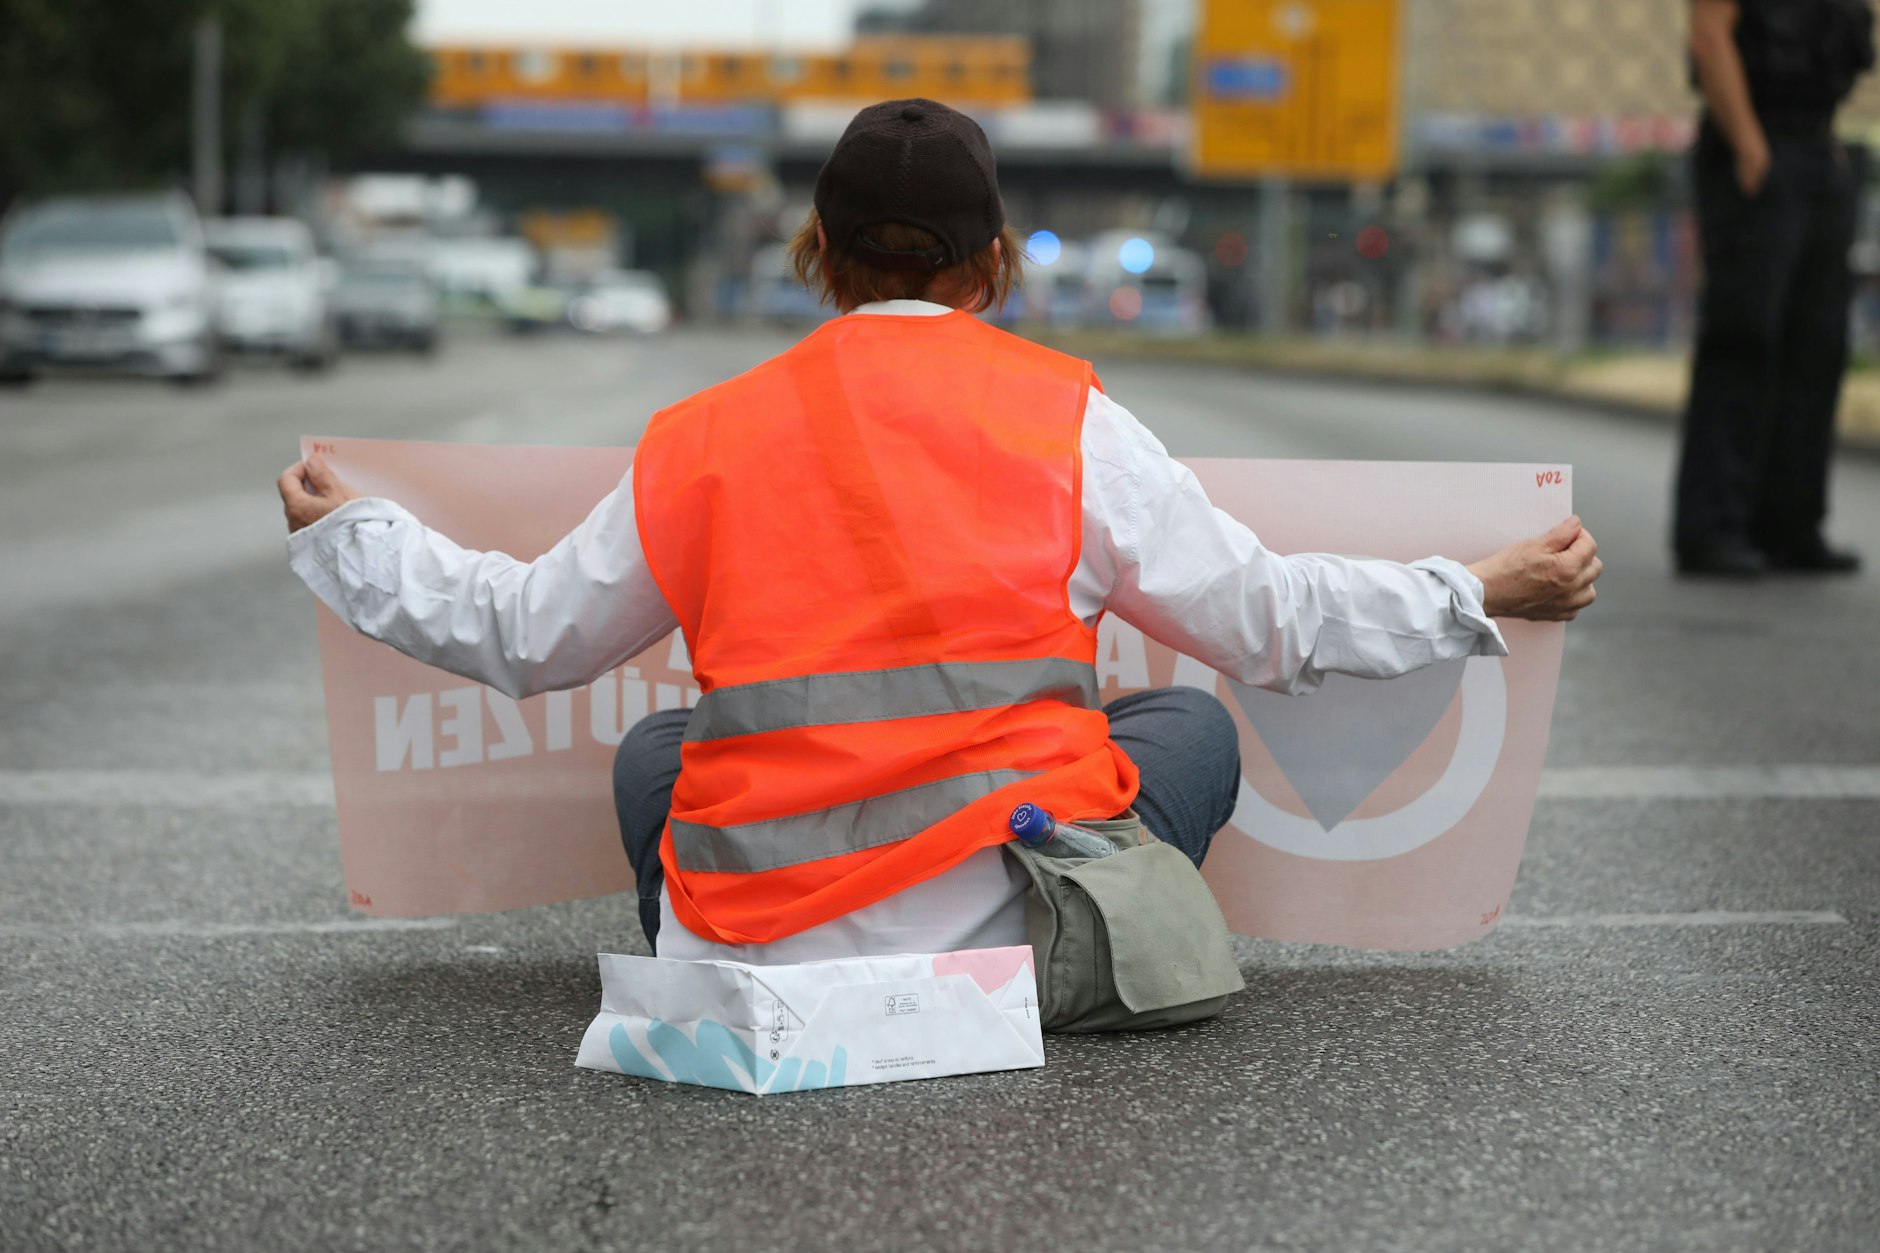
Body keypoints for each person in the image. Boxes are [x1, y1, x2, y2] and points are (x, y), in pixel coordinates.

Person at [279, 99, 1602, 971]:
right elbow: (1268, 624)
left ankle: (710, 935)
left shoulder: (705, 431)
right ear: (994, 268)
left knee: (656, 756)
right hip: (1013, 934)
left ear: (821, 257)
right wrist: (1473, 591)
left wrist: (356, 541)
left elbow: (525, 636)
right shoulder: (1067, 420)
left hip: (752, 937)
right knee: (1186, 728)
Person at [1675, 0, 1874, 576]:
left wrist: (1822, 145)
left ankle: (1790, 526)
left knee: (1818, 345)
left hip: (1818, 149)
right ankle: (1712, 529)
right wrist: (1749, 144)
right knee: (1743, 340)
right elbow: (1709, 36)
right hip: (1755, 145)